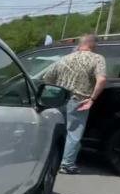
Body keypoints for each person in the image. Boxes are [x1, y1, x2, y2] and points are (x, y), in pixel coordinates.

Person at [42, 34, 107, 174]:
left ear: (80, 44)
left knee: (58, 130)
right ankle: (67, 165)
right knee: (74, 134)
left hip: (59, 99)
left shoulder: (65, 58)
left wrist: (56, 90)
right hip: (79, 100)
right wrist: (92, 99)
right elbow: (101, 80)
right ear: (93, 45)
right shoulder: (97, 59)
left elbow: (47, 77)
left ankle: (48, 159)